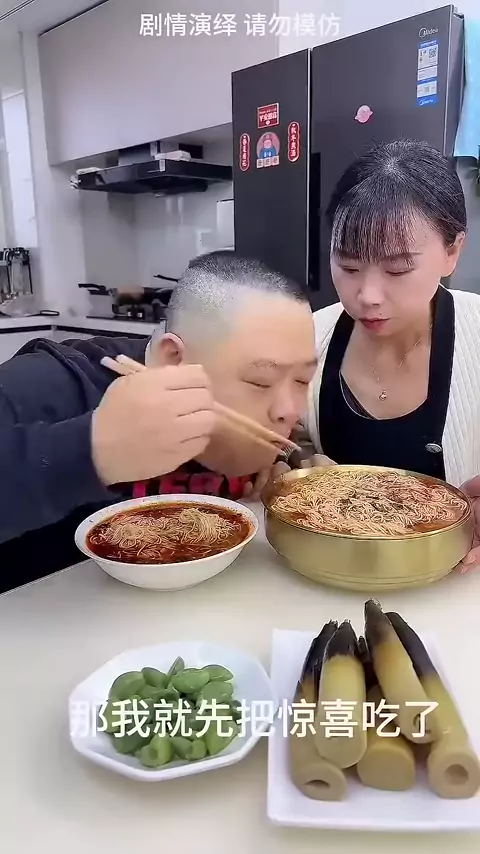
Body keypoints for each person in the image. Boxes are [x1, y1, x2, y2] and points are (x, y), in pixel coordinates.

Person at [0, 250, 316, 591]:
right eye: (260, 382)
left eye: (302, 380)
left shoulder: (267, 423)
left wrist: (291, 465)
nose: (289, 410)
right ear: (174, 359)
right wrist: (91, 450)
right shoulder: (51, 386)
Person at [302, 139, 480, 571]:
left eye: (398, 269)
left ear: (452, 251)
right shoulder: (306, 337)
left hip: (456, 588)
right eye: (348, 266)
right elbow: (282, 440)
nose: (368, 295)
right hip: (326, 577)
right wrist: (293, 459)